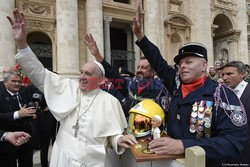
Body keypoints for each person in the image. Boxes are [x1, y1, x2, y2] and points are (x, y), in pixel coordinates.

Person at [7, 8, 137, 167]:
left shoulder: (110, 101)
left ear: (101, 80)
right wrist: (22, 43)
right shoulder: (68, 87)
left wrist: (119, 139)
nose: (82, 76)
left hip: (92, 162)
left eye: (88, 74)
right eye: (81, 72)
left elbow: (112, 135)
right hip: (63, 155)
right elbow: (39, 73)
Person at [132, 3, 248, 166]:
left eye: (188, 61)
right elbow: (158, 62)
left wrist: (184, 146)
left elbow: (233, 142)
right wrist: (141, 37)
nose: (183, 66)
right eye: (180, 63)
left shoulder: (222, 95)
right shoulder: (175, 83)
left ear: (203, 66)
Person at [84, 34, 170, 117]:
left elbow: (162, 117)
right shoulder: (129, 86)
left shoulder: (160, 91)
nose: (139, 70)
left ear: (153, 72)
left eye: (143, 68)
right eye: (138, 67)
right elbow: (112, 74)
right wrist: (97, 55)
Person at [0, 71, 36, 167]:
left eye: (19, 81)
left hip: (26, 138)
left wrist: (34, 114)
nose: (17, 84)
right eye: (13, 81)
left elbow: (33, 107)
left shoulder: (24, 92)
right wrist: (17, 114)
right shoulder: (1, 95)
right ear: (5, 82)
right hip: (8, 142)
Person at [220, 61, 250, 164]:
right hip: (227, 152)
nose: (224, 78)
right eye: (223, 74)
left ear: (242, 74)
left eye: (229, 74)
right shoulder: (221, 93)